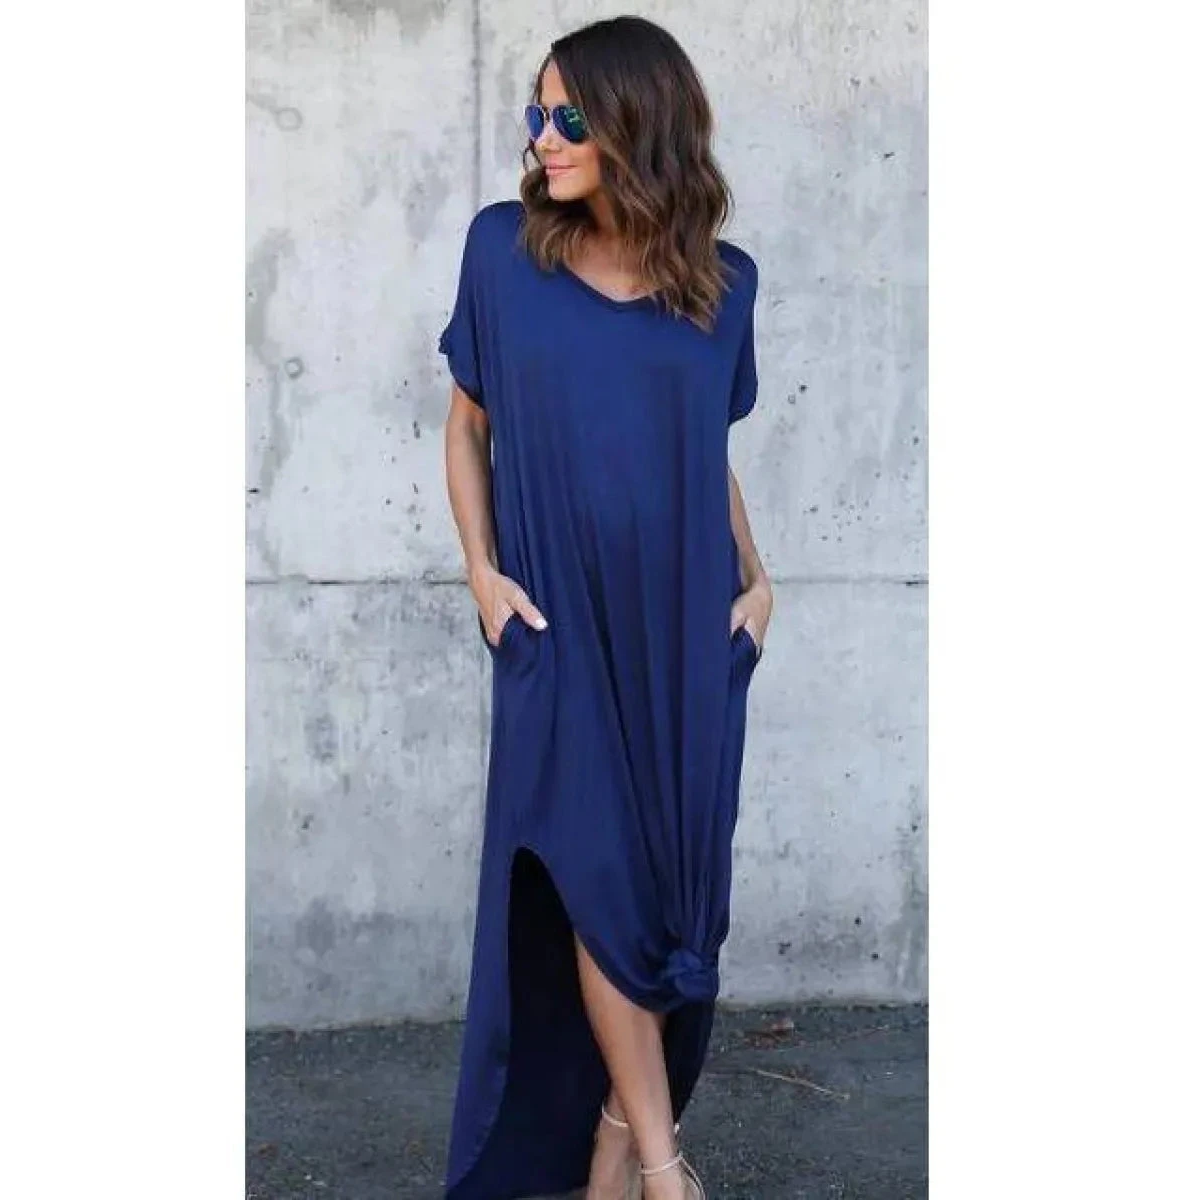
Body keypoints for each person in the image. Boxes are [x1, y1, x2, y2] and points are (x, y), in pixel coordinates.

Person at [439, 15, 772, 1200]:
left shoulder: (724, 285)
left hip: (686, 628)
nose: (543, 135)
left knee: (677, 900)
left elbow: (703, 451)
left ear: (640, 121)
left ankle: (613, 1144)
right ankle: (665, 1167)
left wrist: (758, 576)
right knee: (598, 884)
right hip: (556, 625)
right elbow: (466, 427)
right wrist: (482, 573)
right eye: (537, 112)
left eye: (569, 115)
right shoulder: (503, 253)